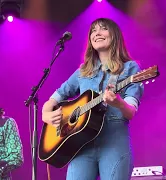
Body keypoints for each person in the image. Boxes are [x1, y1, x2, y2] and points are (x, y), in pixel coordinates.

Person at [42, 18, 144, 180]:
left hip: (114, 144)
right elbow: (53, 99)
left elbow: (131, 112)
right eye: (93, 31)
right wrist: (46, 114)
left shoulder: (130, 68)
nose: (97, 33)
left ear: (115, 35)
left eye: (103, 29)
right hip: (82, 147)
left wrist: (117, 102)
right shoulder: (83, 72)